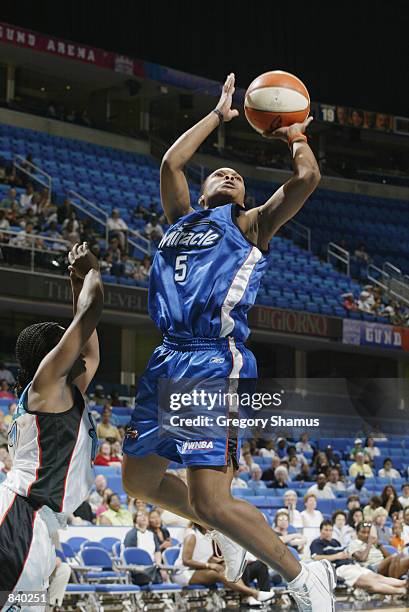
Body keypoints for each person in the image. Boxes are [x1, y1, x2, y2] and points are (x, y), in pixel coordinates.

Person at [122, 73, 333, 610]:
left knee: (211, 501)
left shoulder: (252, 225)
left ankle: (301, 576)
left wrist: (294, 135)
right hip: (167, 355)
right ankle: (225, 533)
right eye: (220, 170)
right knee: (139, 480)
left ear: (243, 197)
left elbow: (306, 179)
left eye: (237, 176)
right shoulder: (180, 219)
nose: (228, 172)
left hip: (213, 359)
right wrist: (219, 114)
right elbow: (171, 163)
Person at [0, 243, 102, 605]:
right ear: (51, 357)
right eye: (63, 345)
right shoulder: (46, 387)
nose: (72, 350)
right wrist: (93, 272)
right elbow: (90, 315)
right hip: (20, 516)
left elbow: (91, 352)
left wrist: (77, 283)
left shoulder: (60, 393)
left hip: (35, 519)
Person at [173, 523, 274, 605]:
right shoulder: (192, 535)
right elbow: (186, 561)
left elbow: (205, 557)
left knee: (229, 570)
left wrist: (218, 562)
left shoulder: (209, 536)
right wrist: (209, 565)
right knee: (219, 574)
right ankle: (254, 593)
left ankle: (249, 596)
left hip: (199, 570)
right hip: (183, 572)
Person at [312, 521, 406, 596]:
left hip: (353, 565)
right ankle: (402, 591)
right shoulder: (317, 543)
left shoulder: (335, 542)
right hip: (341, 568)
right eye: (326, 530)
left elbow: (346, 553)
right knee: (371, 583)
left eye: (330, 530)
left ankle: (405, 583)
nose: (328, 532)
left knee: (378, 577)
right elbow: (316, 558)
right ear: (320, 531)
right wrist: (337, 556)